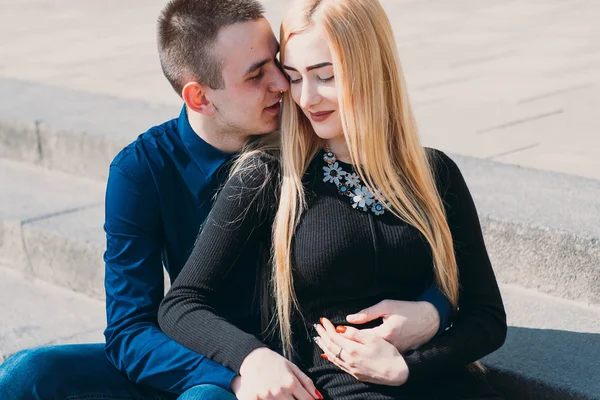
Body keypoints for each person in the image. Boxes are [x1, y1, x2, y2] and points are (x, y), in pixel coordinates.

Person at [0, 0, 450, 399]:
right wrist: (241, 368)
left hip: (301, 358)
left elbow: (402, 233)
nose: (283, 84)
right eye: (257, 74)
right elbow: (129, 330)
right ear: (199, 97)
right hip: (204, 353)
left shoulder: (307, 132)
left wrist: (435, 308)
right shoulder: (142, 170)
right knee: (26, 374)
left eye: (277, 62)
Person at [158, 0, 508, 398]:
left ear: (371, 70)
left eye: (325, 76)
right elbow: (182, 304)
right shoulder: (271, 176)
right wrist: (252, 357)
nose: (306, 99)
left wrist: (410, 361)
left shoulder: (435, 173)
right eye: (293, 77)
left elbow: (487, 318)